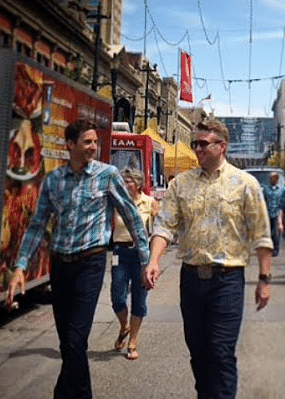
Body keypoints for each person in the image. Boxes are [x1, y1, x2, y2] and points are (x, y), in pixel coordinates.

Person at [5, 120, 150, 399]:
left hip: (90, 262)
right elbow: (37, 225)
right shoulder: (54, 180)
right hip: (60, 264)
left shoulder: (107, 175)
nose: (94, 147)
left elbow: (131, 215)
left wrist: (145, 259)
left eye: (95, 142)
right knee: (67, 344)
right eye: (88, 142)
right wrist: (21, 266)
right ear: (70, 145)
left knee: (76, 338)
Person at [142, 118, 272, 399]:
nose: (198, 149)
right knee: (199, 355)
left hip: (227, 281)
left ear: (222, 146)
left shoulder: (245, 184)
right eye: (195, 144)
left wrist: (264, 279)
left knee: (221, 353)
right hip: (191, 280)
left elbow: (262, 235)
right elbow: (164, 225)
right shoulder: (181, 185)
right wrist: (153, 261)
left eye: (203, 144)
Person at [111, 168, 158, 360]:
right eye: (123, 181)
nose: (124, 184)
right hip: (119, 253)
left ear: (138, 184)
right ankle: (124, 326)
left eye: (128, 181)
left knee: (139, 298)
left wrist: (153, 260)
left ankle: (133, 342)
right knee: (117, 297)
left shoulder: (149, 203)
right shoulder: (116, 202)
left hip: (141, 255)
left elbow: (157, 231)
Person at [263, 172, 285, 257]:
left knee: (276, 232)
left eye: (272, 178)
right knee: (269, 232)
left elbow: (284, 200)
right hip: (268, 213)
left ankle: (276, 248)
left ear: (276, 179)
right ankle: (270, 247)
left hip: (277, 213)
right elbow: (263, 200)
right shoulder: (266, 189)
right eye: (270, 178)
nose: (271, 180)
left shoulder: (282, 189)